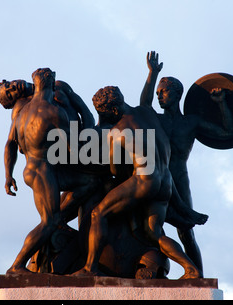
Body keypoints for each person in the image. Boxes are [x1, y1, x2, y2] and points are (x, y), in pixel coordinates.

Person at [74, 85, 208, 279]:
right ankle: (192, 269)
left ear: (113, 110)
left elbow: (115, 170)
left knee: (98, 214)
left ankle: (90, 268)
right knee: (153, 232)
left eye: (105, 114)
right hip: (166, 181)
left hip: (145, 179)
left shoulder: (118, 131)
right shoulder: (146, 111)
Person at [140, 51, 233, 277]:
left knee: (187, 232)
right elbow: (144, 105)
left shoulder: (190, 122)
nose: (159, 96)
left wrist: (221, 104)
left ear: (177, 94)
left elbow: (228, 132)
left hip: (180, 179)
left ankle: (198, 276)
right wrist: (152, 74)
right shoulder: (158, 120)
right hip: (158, 179)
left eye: (163, 92)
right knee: (153, 228)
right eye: (158, 93)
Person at [0, 68, 99, 274]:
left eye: (8, 87)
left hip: (52, 163)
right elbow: (74, 149)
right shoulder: (47, 111)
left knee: (91, 182)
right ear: (51, 80)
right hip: (47, 166)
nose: (12, 90)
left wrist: (9, 175)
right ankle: (16, 266)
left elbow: (84, 112)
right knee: (49, 221)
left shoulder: (27, 110)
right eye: (8, 95)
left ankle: (57, 222)